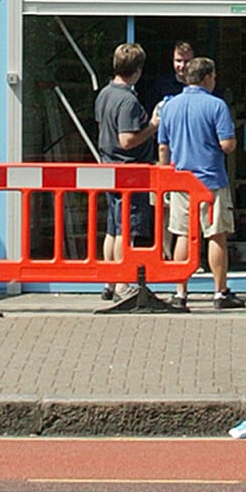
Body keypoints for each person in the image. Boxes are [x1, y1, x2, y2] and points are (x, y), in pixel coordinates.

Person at [153, 55, 241, 310]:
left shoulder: (169, 106)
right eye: (213, 76)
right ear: (206, 78)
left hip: (182, 181)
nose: (214, 81)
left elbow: (163, 148)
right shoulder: (217, 106)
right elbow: (226, 145)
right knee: (216, 235)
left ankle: (180, 292)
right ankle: (220, 292)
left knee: (182, 234)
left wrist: (166, 177)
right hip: (211, 180)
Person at [93, 42, 158, 299]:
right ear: (137, 70)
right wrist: (153, 125)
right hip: (128, 172)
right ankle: (122, 283)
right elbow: (127, 140)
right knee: (126, 229)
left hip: (109, 167)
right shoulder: (128, 101)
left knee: (112, 227)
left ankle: (109, 282)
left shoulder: (105, 94)